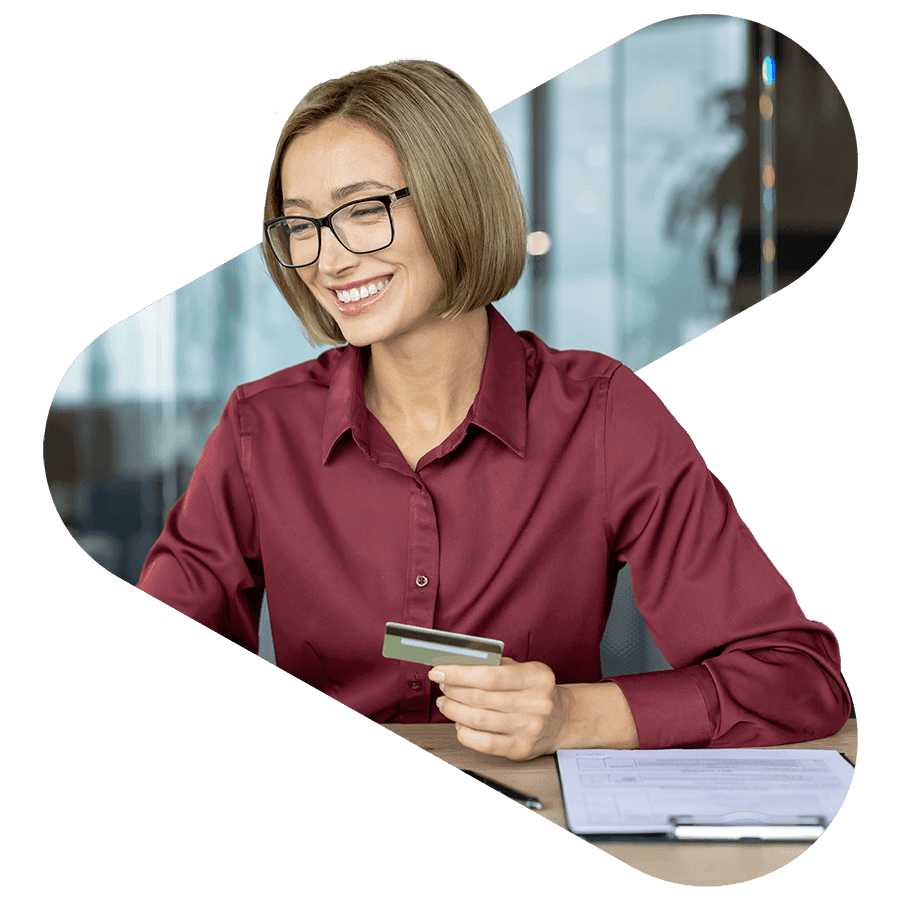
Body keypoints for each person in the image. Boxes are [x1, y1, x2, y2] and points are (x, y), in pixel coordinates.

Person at [137, 59, 850, 760]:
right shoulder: (260, 429)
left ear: (457, 197)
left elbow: (798, 679)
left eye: (362, 210)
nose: (328, 259)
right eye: (301, 225)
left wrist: (575, 715)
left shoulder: (599, 416)